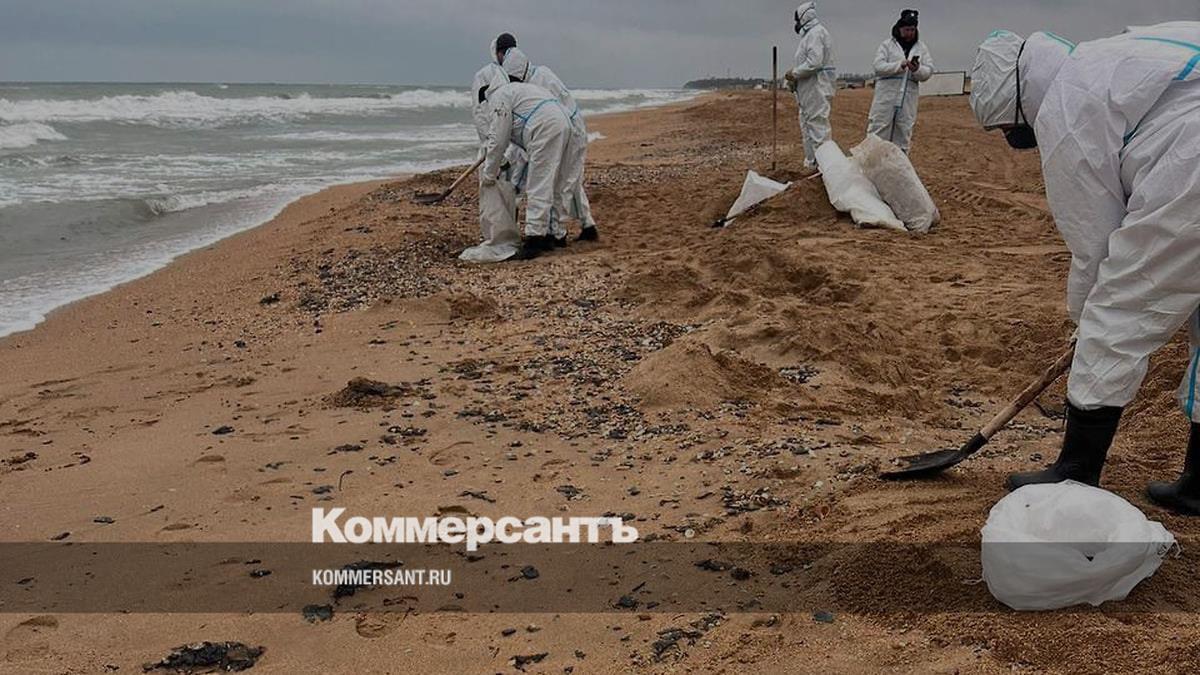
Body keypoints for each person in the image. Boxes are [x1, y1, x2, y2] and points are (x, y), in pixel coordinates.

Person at [969, 23, 1200, 514]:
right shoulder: (1105, 58)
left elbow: (1095, 243)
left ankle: (1074, 473)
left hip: (1190, 170)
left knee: (1117, 312)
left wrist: (1086, 323)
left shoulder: (1064, 108)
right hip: (1186, 152)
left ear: (1020, 104)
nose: (1011, 137)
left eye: (1008, 128)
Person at [500, 46, 599, 243]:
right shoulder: (539, 74)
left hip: (569, 132)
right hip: (565, 129)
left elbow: (539, 125)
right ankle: (587, 226)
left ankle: (556, 233)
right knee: (570, 181)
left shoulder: (538, 82)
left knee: (562, 183)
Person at [482, 78, 578, 260]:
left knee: (539, 184)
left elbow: (498, 139)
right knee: (557, 182)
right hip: (565, 123)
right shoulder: (520, 90)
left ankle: (535, 238)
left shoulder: (498, 97)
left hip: (545, 127)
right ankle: (556, 234)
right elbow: (512, 138)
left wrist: (489, 174)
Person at [459, 63, 523, 263]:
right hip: (503, 145)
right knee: (508, 192)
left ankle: (502, 239)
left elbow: (483, 118)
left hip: (499, 146)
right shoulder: (496, 79)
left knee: (498, 193)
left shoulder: (487, 80)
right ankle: (507, 235)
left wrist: (491, 153)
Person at [867, 9, 933, 153]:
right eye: (907, 29)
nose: (910, 33)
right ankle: (872, 164)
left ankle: (898, 165)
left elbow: (928, 71)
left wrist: (917, 69)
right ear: (900, 28)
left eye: (913, 29)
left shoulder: (921, 48)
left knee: (903, 132)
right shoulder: (887, 45)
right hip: (886, 97)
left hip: (908, 99)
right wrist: (899, 65)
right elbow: (878, 67)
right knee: (878, 131)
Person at [783, 2, 835, 172]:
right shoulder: (809, 36)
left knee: (818, 129)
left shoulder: (816, 33)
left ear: (804, 18)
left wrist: (794, 73)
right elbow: (806, 64)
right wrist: (793, 81)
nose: (796, 24)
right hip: (809, 91)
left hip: (816, 89)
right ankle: (812, 165)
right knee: (808, 128)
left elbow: (814, 63)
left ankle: (825, 169)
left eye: (797, 20)